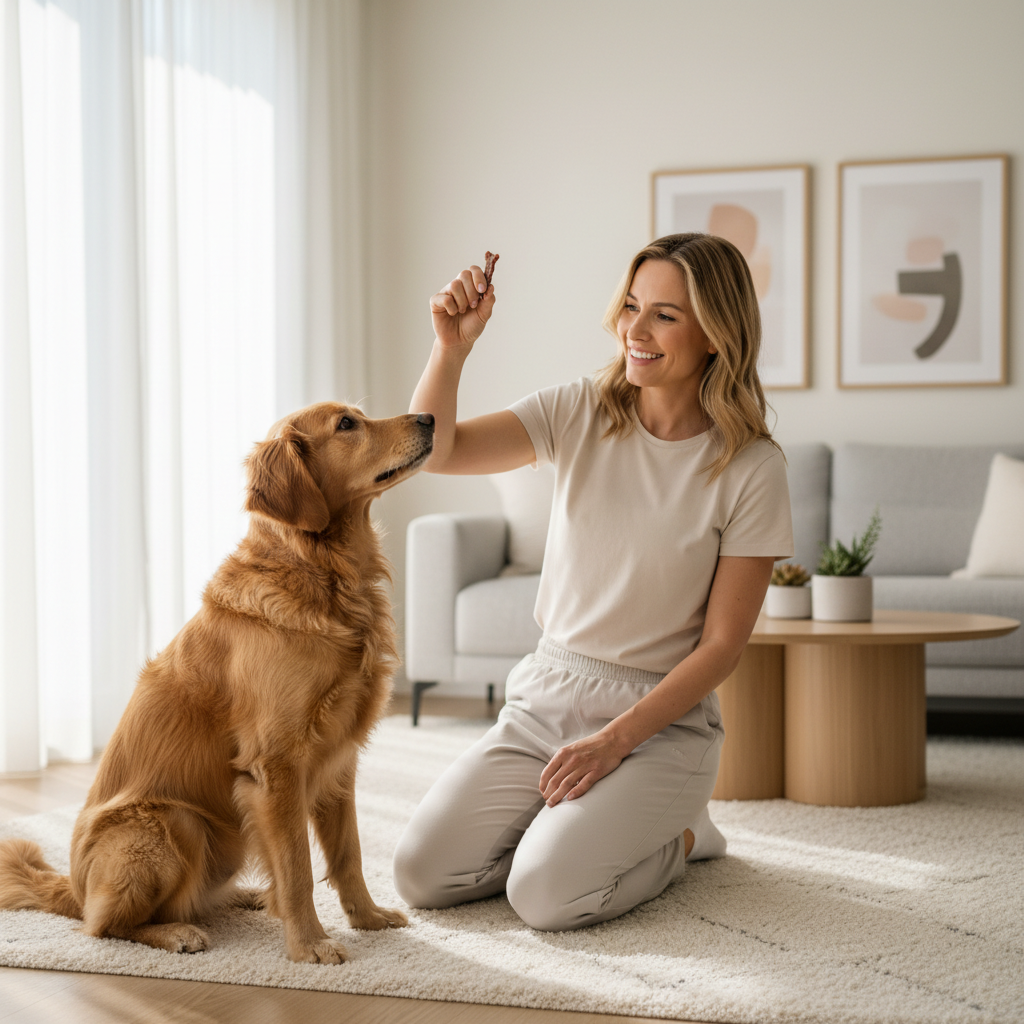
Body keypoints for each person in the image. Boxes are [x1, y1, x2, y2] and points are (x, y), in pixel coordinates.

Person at [392, 233, 793, 931]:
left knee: (545, 895)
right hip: (545, 699)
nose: (634, 329)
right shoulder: (580, 409)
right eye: (632, 305)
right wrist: (451, 348)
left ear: (716, 334)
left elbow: (723, 647)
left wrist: (614, 742)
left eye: (665, 315)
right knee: (422, 875)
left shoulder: (752, 467)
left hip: (660, 727)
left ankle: (685, 837)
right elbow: (438, 453)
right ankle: (573, 834)